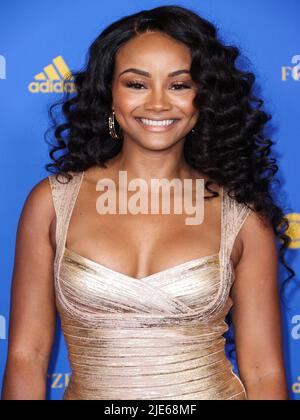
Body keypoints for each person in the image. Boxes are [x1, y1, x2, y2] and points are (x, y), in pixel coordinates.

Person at [2, 5, 293, 400]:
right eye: (137, 84)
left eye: (179, 85)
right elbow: (27, 356)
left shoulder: (241, 216)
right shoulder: (51, 203)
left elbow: (264, 373)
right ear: (109, 93)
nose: (158, 104)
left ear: (203, 97)